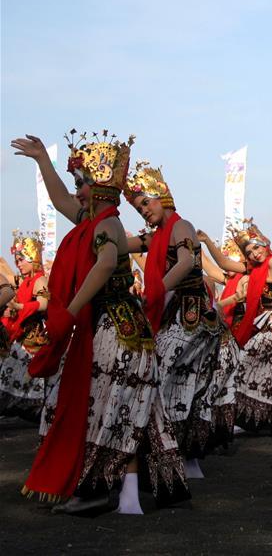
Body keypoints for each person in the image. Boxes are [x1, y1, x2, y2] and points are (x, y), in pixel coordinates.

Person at [12, 131, 188, 514]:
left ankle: (97, 490)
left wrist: (70, 311)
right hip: (117, 327)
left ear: (101, 188)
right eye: (77, 183)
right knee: (131, 409)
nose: (76, 192)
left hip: (116, 330)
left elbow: (106, 263)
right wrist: (43, 159)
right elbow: (59, 200)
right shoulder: (94, 221)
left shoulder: (107, 226)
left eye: (82, 184)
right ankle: (126, 497)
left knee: (107, 409)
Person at [125, 162, 223, 477]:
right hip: (180, 315)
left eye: (145, 203)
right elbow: (125, 244)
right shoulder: (157, 236)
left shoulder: (182, 227)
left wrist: (155, 291)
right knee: (185, 386)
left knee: (157, 378)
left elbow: (184, 262)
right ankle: (188, 459)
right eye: (138, 208)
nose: (143, 211)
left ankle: (161, 456)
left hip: (191, 316)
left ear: (162, 196)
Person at [203, 219, 272, 438]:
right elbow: (224, 264)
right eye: (249, 251)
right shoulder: (254, 268)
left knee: (245, 362)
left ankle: (252, 421)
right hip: (270, 326)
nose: (254, 254)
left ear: (265, 244)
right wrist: (206, 243)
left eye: (256, 247)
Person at [0, 231, 49, 421]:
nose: (18, 264)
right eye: (17, 260)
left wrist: (20, 306)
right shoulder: (24, 280)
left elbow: (45, 302)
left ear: (33, 259)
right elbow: (6, 280)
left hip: (32, 340)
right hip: (19, 336)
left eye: (21, 260)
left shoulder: (39, 280)